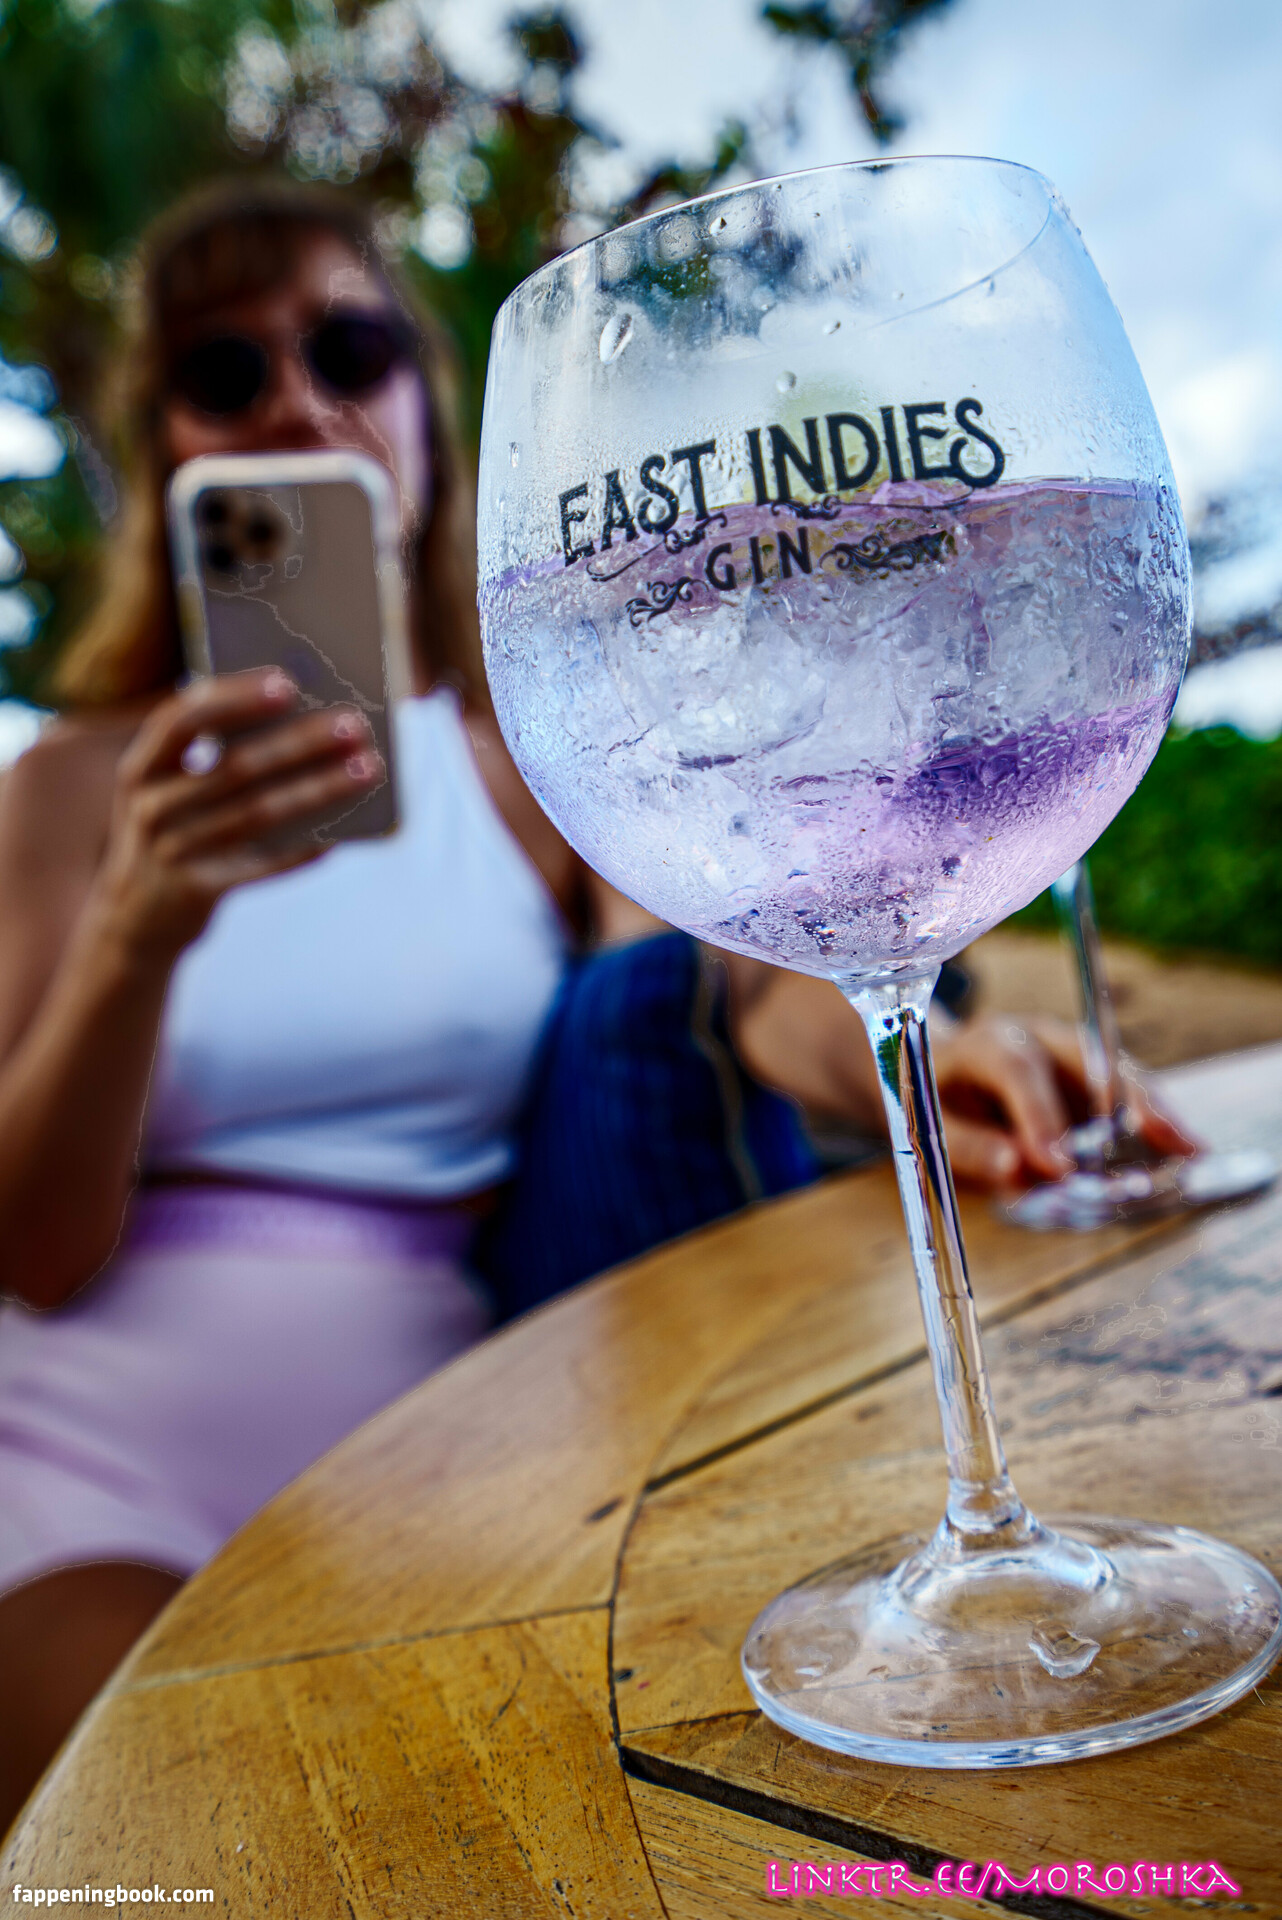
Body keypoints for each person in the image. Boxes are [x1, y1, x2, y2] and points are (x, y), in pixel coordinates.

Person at [0, 179, 1191, 1826]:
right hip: (98, 1466)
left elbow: (708, 988)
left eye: (348, 349)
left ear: (430, 418)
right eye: (224, 371)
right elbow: (33, 1251)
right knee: (151, 1839)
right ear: (165, 453)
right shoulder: (73, 784)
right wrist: (138, 930)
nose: (296, 401)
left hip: (454, 1443)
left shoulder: (542, 760)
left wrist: (917, 1040)